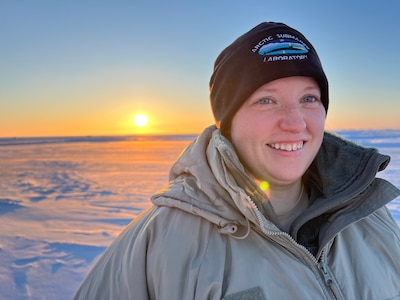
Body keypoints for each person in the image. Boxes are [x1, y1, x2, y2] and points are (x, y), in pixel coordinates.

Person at [74, 22, 400, 299]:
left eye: (308, 98)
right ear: (227, 122)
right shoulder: (162, 242)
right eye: (266, 100)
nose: (295, 122)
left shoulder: (369, 215)